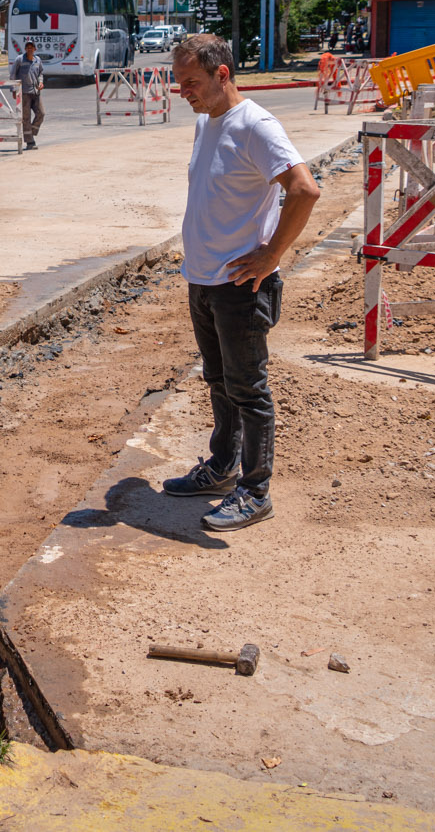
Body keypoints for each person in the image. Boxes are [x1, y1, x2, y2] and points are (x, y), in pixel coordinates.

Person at [161, 33, 321, 533]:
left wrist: (271, 253)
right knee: (219, 382)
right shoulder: (209, 121)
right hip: (204, 281)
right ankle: (222, 469)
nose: (182, 91)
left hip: (240, 287)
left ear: (221, 74)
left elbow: (305, 189)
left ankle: (255, 492)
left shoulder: (255, 125)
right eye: (178, 81)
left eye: (190, 82)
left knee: (248, 391)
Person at [11, 40, 46, 148]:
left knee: (41, 113)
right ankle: (30, 142)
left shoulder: (37, 60)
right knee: (26, 117)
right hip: (24, 93)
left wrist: (41, 82)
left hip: (35, 92)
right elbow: (13, 75)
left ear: (35, 49)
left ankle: (31, 131)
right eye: (27, 47)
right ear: (25, 49)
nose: (29, 49)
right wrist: (14, 89)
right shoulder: (19, 60)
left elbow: (40, 73)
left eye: (31, 47)